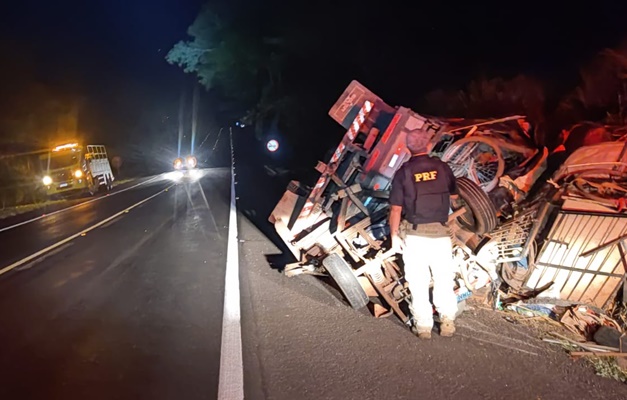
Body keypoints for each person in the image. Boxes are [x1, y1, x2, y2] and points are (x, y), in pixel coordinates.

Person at [388, 131, 462, 340]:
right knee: (443, 279)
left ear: (408, 148)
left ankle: (423, 327)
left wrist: (394, 236)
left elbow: (395, 209)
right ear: (428, 146)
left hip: (415, 236)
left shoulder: (404, 172)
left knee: (418, 282)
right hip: (441, 236)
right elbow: (455, 196)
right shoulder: (442, 167)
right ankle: (447, 322)